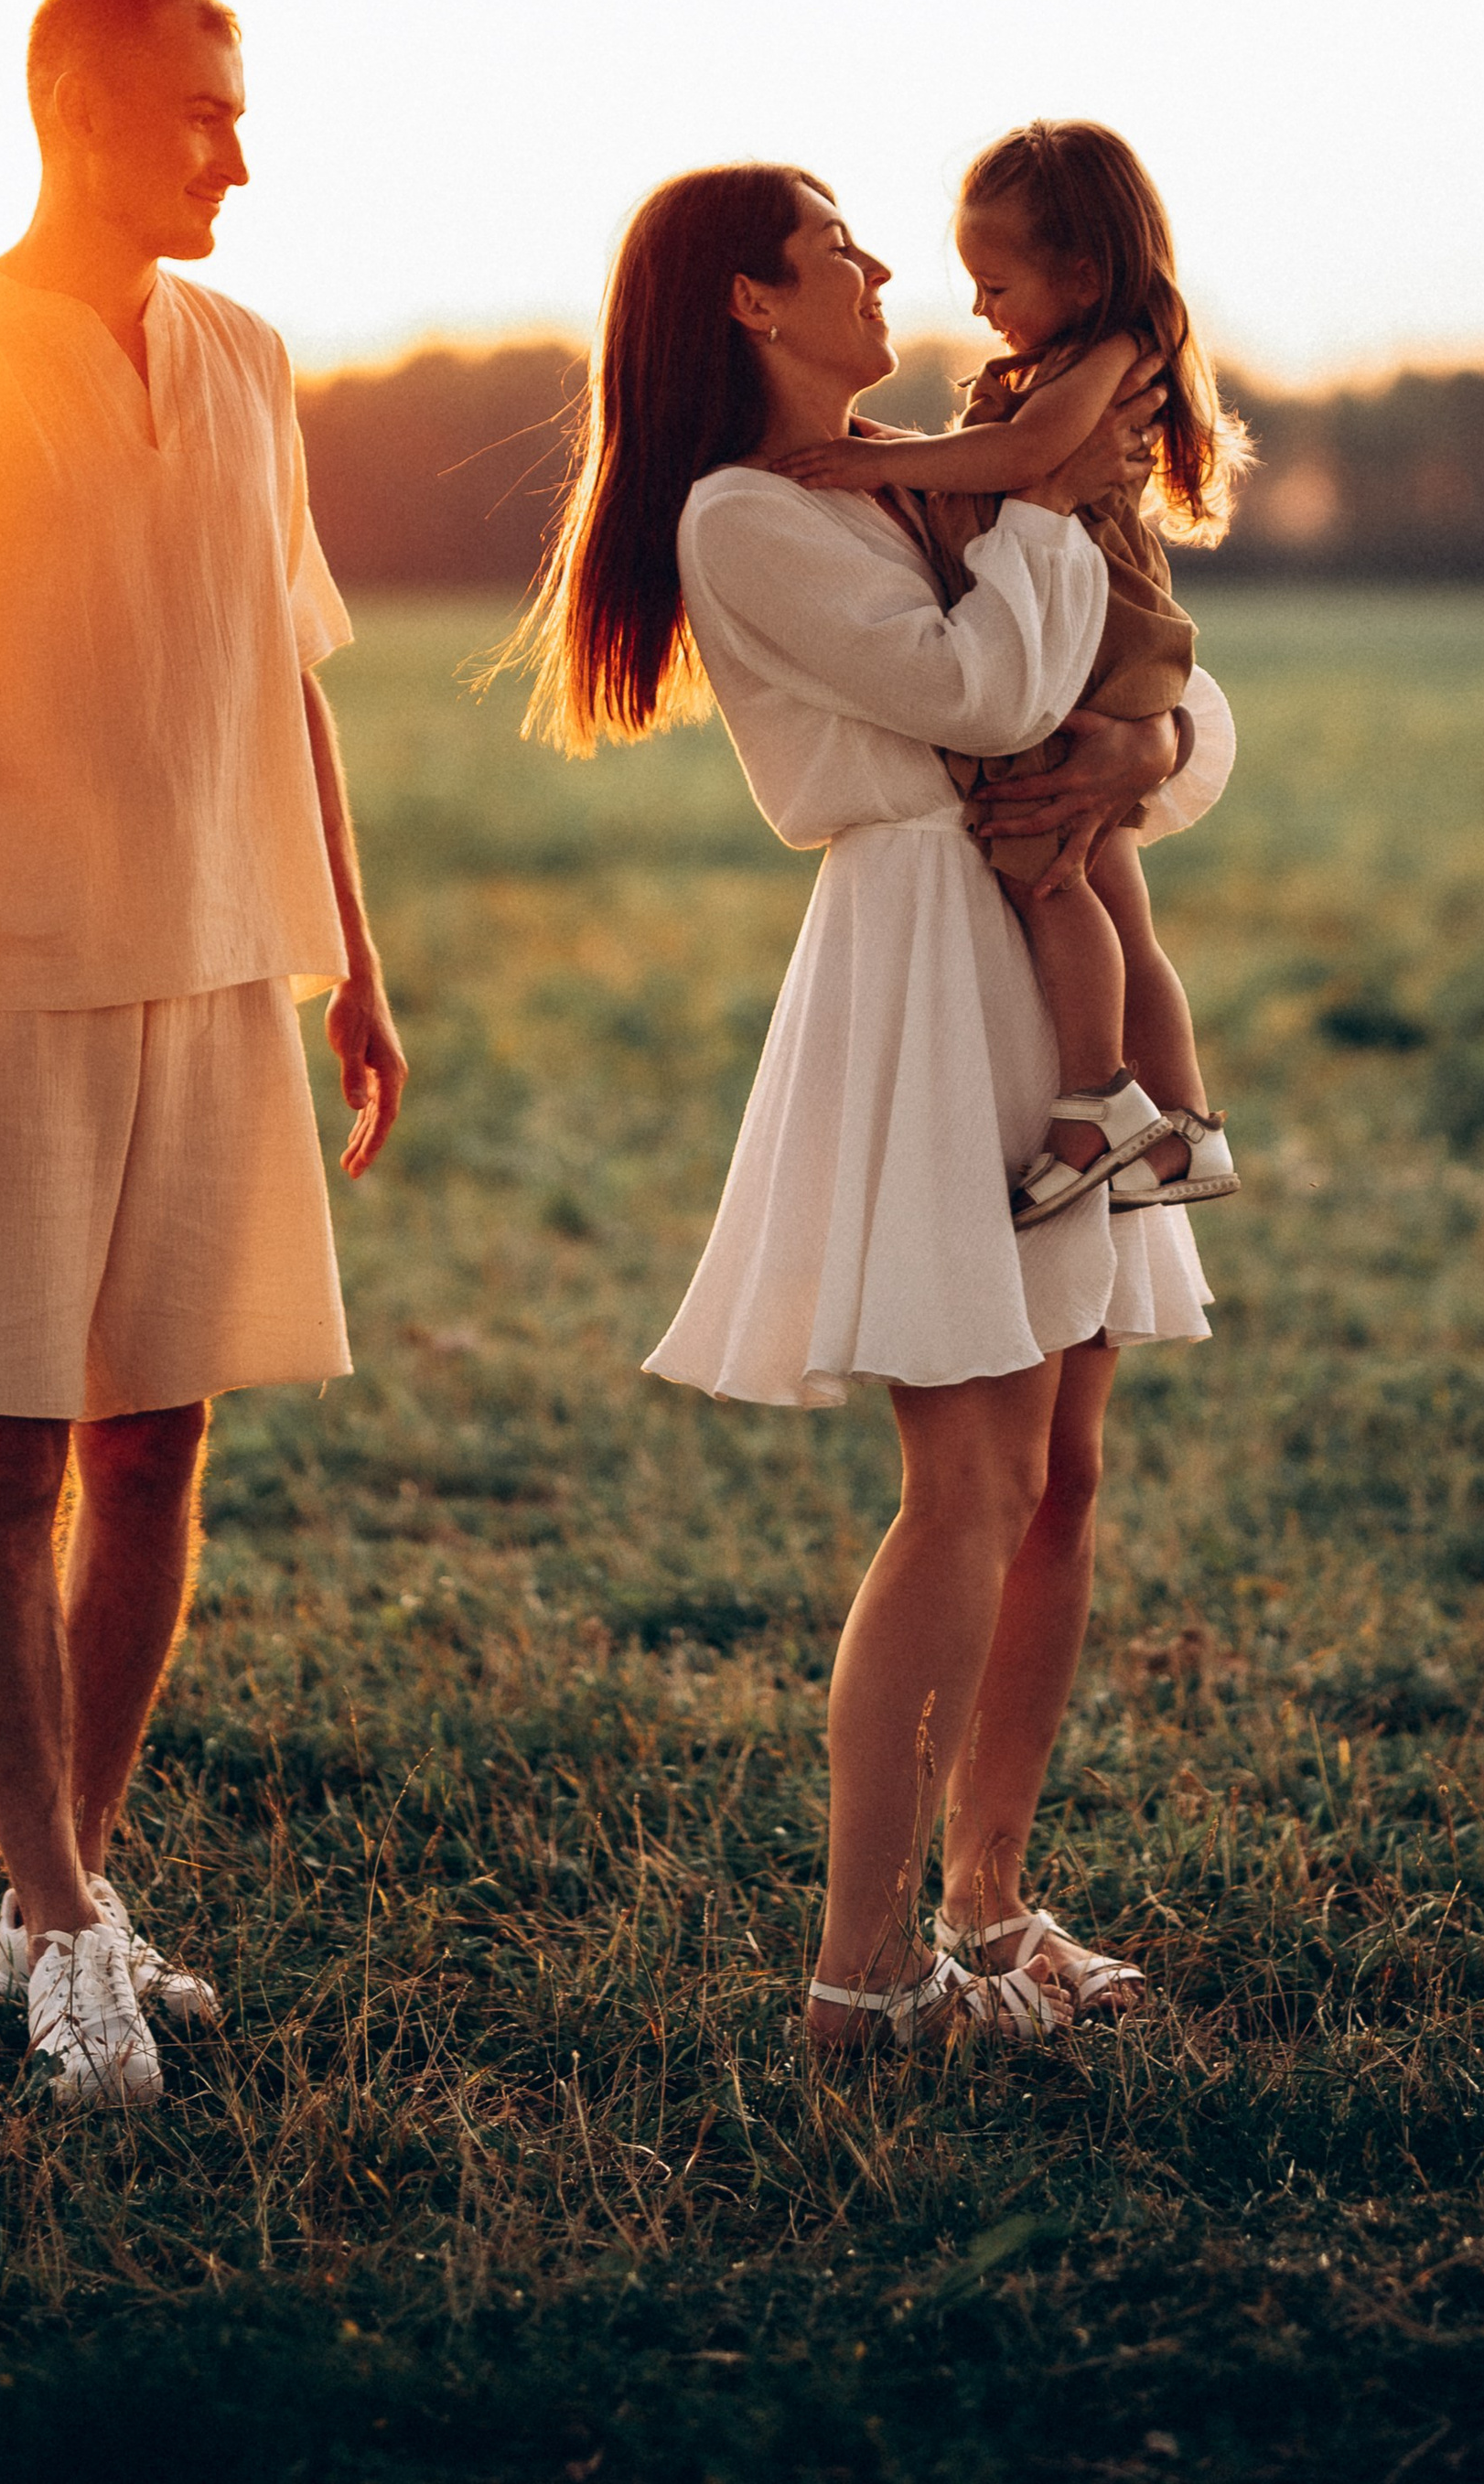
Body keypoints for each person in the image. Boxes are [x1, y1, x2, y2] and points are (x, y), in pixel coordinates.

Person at [0, 0, 405, 2108]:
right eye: (204, 110)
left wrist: (356, 964)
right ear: (81, 116)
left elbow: (283, 671)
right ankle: (49, 1916)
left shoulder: (247, 354)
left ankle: (72, 1897)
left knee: (154, 1446)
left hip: (220, 970)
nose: (239, 147)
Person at [513, 165, 1232, 2048]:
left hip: (1043, 939)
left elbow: (1166, 702)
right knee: (970, 1476)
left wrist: (1136, 746)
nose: (883, 269)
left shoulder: (949, 466)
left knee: (1060, 1471)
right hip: (930, 971)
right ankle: (860, 1970)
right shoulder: (746, 517)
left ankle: (987, 1905)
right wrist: (1057, 504)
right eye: (837, 249)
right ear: (751, 302)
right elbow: (984, 691)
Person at [773, 118, 1245, 1226]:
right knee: (1117, 897)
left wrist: (870, 457)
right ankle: (1182, 1130)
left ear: (1081, 274)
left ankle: (1099, 1104)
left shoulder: (1112, 351)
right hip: (1101, 644)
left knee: (1050, 869)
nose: (979, 309)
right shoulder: (1080, 348)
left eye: (994, 283)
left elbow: (1031, 461)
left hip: (1100, 640)